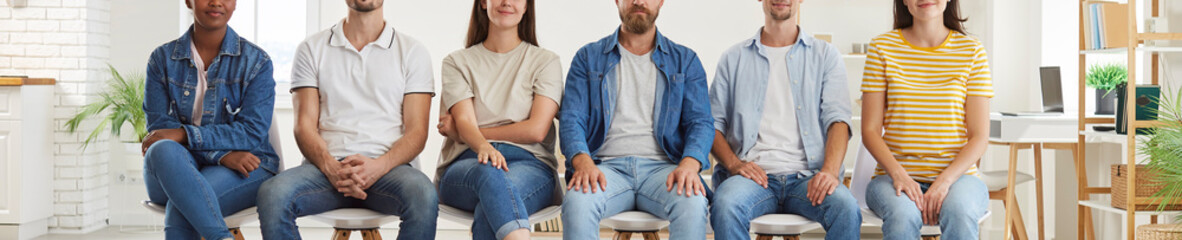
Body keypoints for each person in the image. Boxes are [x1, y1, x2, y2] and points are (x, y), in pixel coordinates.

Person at [256, 0, 438, 239]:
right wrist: (332, 168)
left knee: (423, 194)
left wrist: (376, 168)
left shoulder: (413, 52)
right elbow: (304, 127)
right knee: (273, 194)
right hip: (325, 169)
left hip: (389, 170)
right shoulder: (311, 48)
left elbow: (417, 133)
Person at [558, 0, 714, 239]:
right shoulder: (587, 58)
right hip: (606, 169)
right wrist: (582, 162)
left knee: (692, 202)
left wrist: (689, 165)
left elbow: (700, 122)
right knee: (578, 203)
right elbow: (572, 119)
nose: (639, 2)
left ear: (661, 2)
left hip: (665, 170)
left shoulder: (686, 60)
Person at [708, 0, 861, 239]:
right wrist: (735, 165)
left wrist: (829, 172)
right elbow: (712, 125)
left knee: (847, 209)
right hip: (752, 179)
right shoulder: (733, 58)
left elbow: (838, 121)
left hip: (809, 177)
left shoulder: (825, 55)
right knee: (726, 205)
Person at [141, 0, 277, 239]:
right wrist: (221, 156)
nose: (216, 2)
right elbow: (160, 133)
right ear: (188, 1)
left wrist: (184, 134)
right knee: (162, 150)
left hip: (248, 165)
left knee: (183, 205)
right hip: (175, 168)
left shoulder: (257, 62)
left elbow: (251, 133)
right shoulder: (161, 60)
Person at [861, 0, 992, 239]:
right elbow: (870, 130)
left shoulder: (972, 51)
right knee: (902, 217)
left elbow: (980, 136)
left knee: (959, 211)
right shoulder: (882, 48)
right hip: (892, 178)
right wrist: (900, 176)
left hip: (959, 178)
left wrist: (944, 182)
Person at [434, 0, 563, 239]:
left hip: (531, 164)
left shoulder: (546, 61)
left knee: (491, 206)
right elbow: (464, 121)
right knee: (489, 173)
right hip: (467, 165)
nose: (506, 2)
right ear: (483, 3)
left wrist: (468, 133)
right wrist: (480, 144)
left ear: (526, 6)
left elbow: (536, 130)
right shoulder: (457, 62)